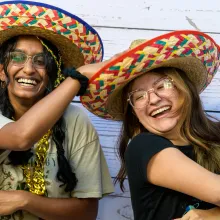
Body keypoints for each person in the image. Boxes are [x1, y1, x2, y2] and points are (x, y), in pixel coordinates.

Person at [81, 30, 220, 219]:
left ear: (183, 88)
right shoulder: (144, 147)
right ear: (134, 113)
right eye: (139, 96)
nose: (153, 99)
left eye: (162, 86)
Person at [0, 1, 114, 220]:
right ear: (2, 72)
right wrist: (77, 78)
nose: (29, 69)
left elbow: (86, 213)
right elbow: (20, 137)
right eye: (17, 57)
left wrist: (24, 200)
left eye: (41, 61)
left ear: (52, 74)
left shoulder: (74, 120)